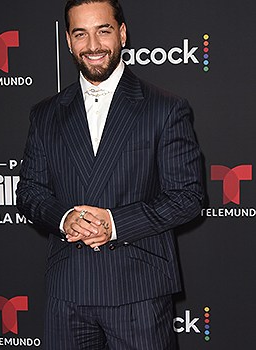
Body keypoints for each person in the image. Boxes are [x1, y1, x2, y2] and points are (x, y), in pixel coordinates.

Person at [16, 0, 204, 349]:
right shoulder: (45, 114)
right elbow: (30, 191)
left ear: (121, 33)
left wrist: (114, 223)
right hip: (68, 288)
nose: (93, 46)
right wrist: (65, 216)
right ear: (69, 42)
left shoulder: (164, 108)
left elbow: (187, 197)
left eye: (103, 31)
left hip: (139, 288)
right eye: (80, 34)